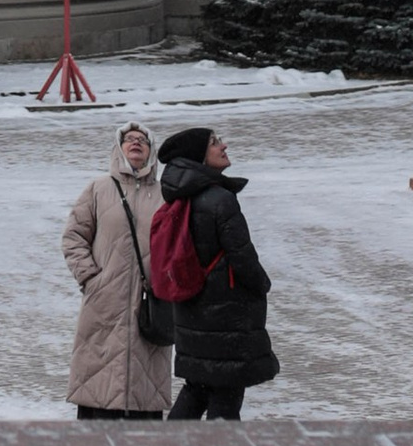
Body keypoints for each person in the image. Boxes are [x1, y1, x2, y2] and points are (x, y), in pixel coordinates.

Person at [153, 126, 279, 421]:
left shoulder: (179, 196)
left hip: (191, 312)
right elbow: (243, 256)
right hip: (226, 317)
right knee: (226, 396)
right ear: (200, 156)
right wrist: (262, 285)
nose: (223, 146)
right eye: (214, 142)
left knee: (197, 388)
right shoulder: (220, 199)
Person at [61, 119, 170, 419]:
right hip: (103, 304)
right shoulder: (99, 189)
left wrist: (167, 284)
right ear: (118, 149)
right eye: (129, 139)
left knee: (144, 390)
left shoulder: (164, 195)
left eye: (143, 140)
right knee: (97, 384)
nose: (136, 143)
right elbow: (73, 236)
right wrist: (91, 278)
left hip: (149, 307)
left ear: (151, 151)